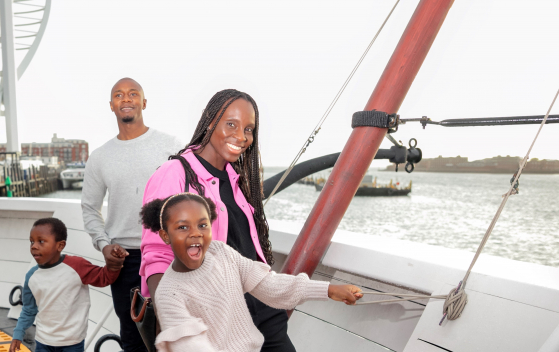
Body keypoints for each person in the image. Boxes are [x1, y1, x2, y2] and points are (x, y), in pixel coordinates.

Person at [141, 89, 301, 351]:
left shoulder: (238, 181)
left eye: (248, 129)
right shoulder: (175, 173)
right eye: (231, 124)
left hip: (264, 311)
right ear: (210, 120)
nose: (241, 136)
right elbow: (157, 255)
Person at [140, 193, 362, 352]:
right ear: (165, 236)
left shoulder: (221, 253)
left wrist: (329, 290)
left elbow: (269, 285)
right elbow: (191, 346)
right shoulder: (169, 293)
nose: (195, 234)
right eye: (182, 227)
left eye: (202, 225)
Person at [82, 78, 182, 352]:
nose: (126, 99)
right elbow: (90, 209)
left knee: (173, 332)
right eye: (119, 95)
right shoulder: (100, 157)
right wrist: (103, 245)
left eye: (133, 93)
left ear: (144, 102)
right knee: (131, 337)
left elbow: (191, 195)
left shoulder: (170, 145)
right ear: (112, 105)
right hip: (124, 259)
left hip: (168, 254)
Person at [10, 217, 123, 352]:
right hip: (43, 341)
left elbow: (103, 277)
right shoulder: (31, 276)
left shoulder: (77, 266)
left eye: (41, 241)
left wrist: (115, 263)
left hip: (72, 342)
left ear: (60, 246)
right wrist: (18, 333)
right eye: (31, 241)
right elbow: (29, 309)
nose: (34, 246)